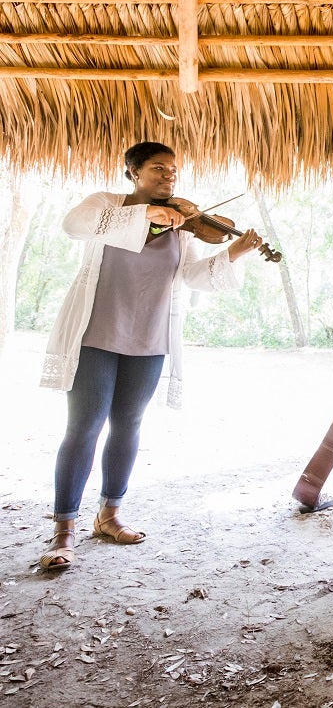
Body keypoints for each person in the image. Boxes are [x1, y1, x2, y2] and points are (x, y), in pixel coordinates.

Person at [38, 141, 266, 571]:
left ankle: (109, 515)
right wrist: (146, 213)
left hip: (150, 340)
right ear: (134, 172)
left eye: (173, 171)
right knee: (84, 426)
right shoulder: (109, 205)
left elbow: (194, 277)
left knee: (128, 425)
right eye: (159, 168)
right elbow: (74, 224)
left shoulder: (184, 223)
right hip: (95, 335)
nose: (168, 176)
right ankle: (63, 530)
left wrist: (234, 251)